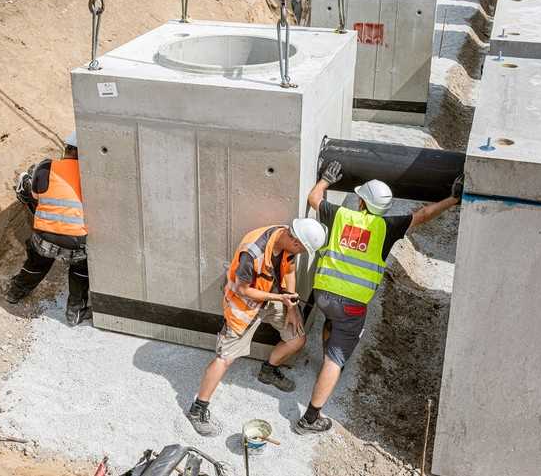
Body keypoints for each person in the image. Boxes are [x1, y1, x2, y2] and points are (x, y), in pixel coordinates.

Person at [294, 160, 463, 434]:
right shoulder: (388, 227)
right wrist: (453, 199)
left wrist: (326, 179)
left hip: (322, 294)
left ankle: (329, 348)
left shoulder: (341, 216)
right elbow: (423, 215)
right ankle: (310, 419)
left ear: (360, 202)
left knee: (332, 321)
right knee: (335, 360)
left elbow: (314, 198)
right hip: (351, 306)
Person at [187, 219, 328, 437]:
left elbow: (289, 270)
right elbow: (243, 289)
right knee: (225, 358)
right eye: (301, 248)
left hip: (273, 299)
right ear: (294, 239)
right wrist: (278, 297)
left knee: (297, 338)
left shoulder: (287, 241)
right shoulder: (252, 252)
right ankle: (198, 409)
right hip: (245, 306)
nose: (300, 253)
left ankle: (268, 371)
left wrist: (290, 306)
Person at [7, 131, 91, 326]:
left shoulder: (46, 167)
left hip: (44, 237)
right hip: (76, 243)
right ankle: (75, 312)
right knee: (80, 269)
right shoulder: (92, 175)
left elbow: (35, 197)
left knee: (38, 262)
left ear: (67, 149)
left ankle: (15, 293)